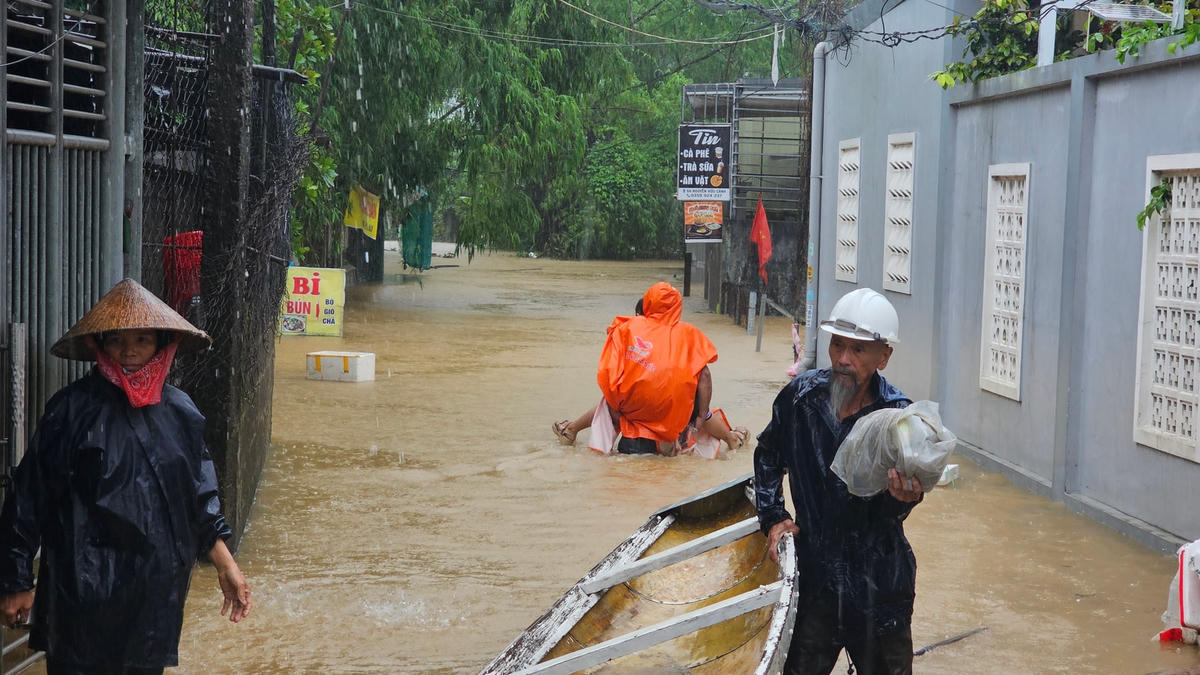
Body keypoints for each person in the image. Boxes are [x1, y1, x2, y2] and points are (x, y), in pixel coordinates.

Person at [0, 278, 252, 674]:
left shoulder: (181, 413)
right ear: (100, 345)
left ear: (161, 345)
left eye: (142, 340)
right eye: (118, 341)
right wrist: (15, 582)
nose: (130, 352)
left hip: (153, 597)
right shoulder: (70, 411)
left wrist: (226, 564)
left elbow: (199, 499)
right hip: (79, 592)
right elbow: (28, 497)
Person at [753, 287, 924, 675]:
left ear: (884, 356)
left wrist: (904, 499)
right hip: (815, 580)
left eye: (858, 350)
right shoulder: (800, 399)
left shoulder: (899, 418)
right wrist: (774, 517)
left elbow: (896, 507)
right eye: (837, 346)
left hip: (881, 585)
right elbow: (767, 455)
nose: (843, 360)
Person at [553, 282, 727, 456]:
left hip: (633, 428)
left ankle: (572, 430)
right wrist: (701, 414)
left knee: (609, 407)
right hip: (675, 427)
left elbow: (609, 372)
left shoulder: (627, 328)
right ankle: (733, 439)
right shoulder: (690, 334)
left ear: (647, 304)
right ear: (677, 307)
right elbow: (704, 375)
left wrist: (616, 404)